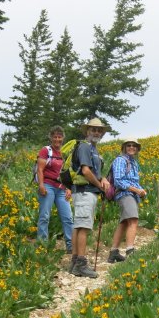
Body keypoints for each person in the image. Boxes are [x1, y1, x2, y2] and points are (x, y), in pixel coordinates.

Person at [70, 117, 110, 278]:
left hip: (83, 191)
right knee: (83, 226)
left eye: (99, 130)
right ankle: (80, 263)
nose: (96, 132)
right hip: (85, 190)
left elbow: (95, 172)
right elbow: (86, 171)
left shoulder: (93, 149)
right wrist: (100, 186)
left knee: (79, 225)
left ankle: (74, 262)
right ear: (87, 131)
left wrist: (103, 179)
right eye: (93, 129)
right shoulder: (86, 147)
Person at [107, 139, 147, 263]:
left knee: (124, 222)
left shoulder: (133, 162)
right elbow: (119, 180)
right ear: (124, 147)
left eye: (134, 146)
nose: (131, 148)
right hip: (124, 194)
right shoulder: (120, 160)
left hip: (131, 194)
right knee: (133, 220)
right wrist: (136, 190)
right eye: (128, 145)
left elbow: (134, 181)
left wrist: (141, 191)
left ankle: (114, 252)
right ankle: (130, 251)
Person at [35, 126, 73, 254]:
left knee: (68, 217)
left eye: (59, 137)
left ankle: (71, 245)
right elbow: (40, 169)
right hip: (48, 185)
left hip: (61, 188)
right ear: (51, 137)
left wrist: (69, 188)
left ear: (63, 138)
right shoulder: (46, 150)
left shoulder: (65, 153)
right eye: (55, 137)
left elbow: (67, 172)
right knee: (45, 215)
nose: (57, 139)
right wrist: (41, 185)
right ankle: (42, 244)